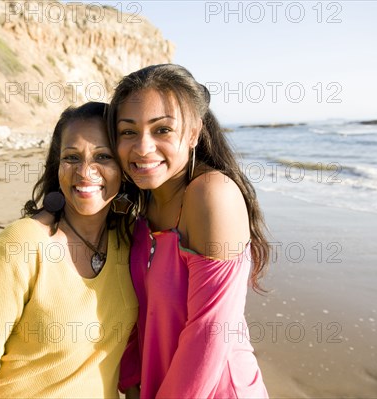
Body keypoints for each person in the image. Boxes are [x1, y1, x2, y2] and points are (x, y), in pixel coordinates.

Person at [0, 102, 138, 398]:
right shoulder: (20, 246)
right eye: (71, 157)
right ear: (56, 165)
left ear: (124, 168)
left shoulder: (128, 241)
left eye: (103, 156)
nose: (85, 171)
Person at [107, 64, 270, 398]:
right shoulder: (140, 205)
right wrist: (131, 380)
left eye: (162, 130)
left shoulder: (211, 195)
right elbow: (134, 311)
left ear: (194, 132)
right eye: (128, 132)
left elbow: (209, 332)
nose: (142, 147)